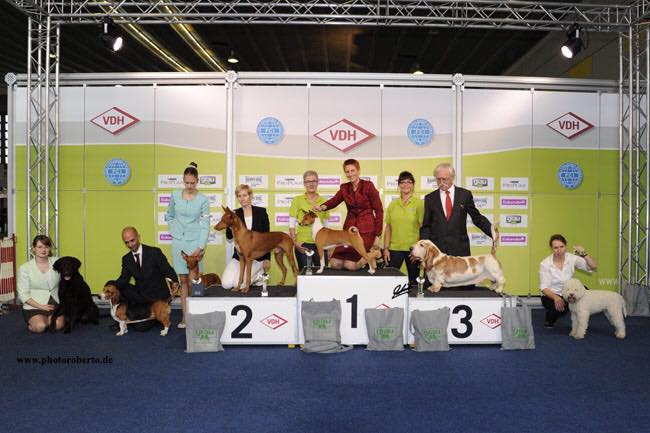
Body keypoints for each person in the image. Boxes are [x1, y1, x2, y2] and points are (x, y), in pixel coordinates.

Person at [313, 159, 383, 271]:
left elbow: (379, 211)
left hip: (366, 231)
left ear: (358, 170)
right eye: (347, 171)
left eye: (353, 170)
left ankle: (376, 253)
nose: (350, 174)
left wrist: (377, 236)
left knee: (350, 265)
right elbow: (334, 201)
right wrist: (322, 207)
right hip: (349, 230)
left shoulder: (368, 186)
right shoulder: (344, 188)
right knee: (335, 264)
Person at [167, 162, 210, 328]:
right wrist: (174, 231)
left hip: (195, 244)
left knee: (195, 282)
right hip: (179, 243)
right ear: (183, 180)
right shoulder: (174, 195)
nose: (189, 186)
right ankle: (185, 317)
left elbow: (205, 225)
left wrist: (200, 247)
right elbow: (170, 215)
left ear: (197, 181)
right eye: (186, 182)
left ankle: (197, 317)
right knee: (183, 280)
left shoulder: (203, 199)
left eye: (192, 183)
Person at [420, 162, 493, 258]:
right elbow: (426, 226)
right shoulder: (430, 198)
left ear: (452, 177)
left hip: (460, 249)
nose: (441, 182)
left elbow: (477, 218)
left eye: (444, 179)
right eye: (438, 179)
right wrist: (423, 247)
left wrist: (492, 232)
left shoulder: (465, 195)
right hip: (437, 252)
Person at [539, 234, 597, 328]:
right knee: (560, 310)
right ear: (551, 248)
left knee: (587, 296)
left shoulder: (571, 258)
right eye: (556, 248)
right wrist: (556, 298)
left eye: (562, 246)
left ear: (566, 246)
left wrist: (584, 253)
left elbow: (593, 266)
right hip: (551, 294)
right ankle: (550, 318)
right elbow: (544, 288)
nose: (559, 250)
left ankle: (581, 320)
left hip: (569, 291)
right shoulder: (545, 264)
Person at [117, 226, 179, 309]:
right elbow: (124, 279)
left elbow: (168, 270)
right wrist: (110, 286)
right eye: (126, 242)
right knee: (123, 288)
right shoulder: (126, 259)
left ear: (138, 237)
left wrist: (174, 282)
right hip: (142, 298)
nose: (130, 245)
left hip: (159, 296)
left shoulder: (154, 252)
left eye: (132, 240)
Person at [222, 184, 270, 289]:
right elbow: (229, 237)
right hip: (239, 257)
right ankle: (252, 276)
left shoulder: (261, 212)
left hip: (257, 257)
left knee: (237, 284)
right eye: (239, 196)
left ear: (251, 196)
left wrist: (267, 258)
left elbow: (267, 237)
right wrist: (230, 222)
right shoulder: (235, 213)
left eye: (245, 195)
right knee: (226, 284)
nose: (242, 198)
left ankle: (258, 275)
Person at [383, 171, 424, 286]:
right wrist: (386, 248)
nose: (405, 185)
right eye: (402, 182)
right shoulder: (393, 204)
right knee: (389, 283)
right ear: (399, 185)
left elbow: (422, 228)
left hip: (413, 250)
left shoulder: (419, 203)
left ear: (413, 185)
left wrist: (418, 250)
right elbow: (388, 228)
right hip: (394, 249)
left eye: (409, 182)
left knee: (414, 284)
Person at [16, 235, 64, 333]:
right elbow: (23, 294)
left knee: (57, 325)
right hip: (34, 305)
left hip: (54, 303)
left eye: (46, 247)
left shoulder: (57, 262)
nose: (43, 250)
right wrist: (41, 306)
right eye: (40, 247)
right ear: (33, 248)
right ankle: (38, 322)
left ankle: (48, 320)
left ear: (49, 248)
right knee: (40, 327)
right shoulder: (24, 268)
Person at [289, 170, 330, 271]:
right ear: (304, 183)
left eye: (314, 181)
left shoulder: (324, 201)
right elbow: (291, 224)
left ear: (317, 182)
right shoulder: (297, 200)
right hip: (303, 243)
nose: (311, 184)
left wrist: (328, 245)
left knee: (322, 275)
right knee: (304, 274)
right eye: (308, 181)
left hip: (321, 243)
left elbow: (326, 225)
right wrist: (295, 242)